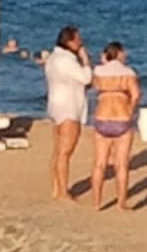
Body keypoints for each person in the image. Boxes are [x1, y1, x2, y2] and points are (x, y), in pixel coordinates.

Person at [91, 42, 141, 211]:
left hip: (102, 117)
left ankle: (97, 202)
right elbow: (136, 95)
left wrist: (103, 61)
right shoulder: (128, 72)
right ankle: (121, 203)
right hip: (121, 118)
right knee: (121, 164)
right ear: (119, 53)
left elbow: (94, 85)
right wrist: (131, 109)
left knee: (99, 164)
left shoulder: (98, 71)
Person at [45, 25, 92, 201]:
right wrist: (85, 60)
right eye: (78, 39)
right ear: (70, 42)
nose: (81, 43)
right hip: (69, 108)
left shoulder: (53, 58)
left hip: (57, 105)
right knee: (65, 152)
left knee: (58, 151)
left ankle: (57, 188)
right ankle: (63, 192)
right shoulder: (66, 60)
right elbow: (86, 78)